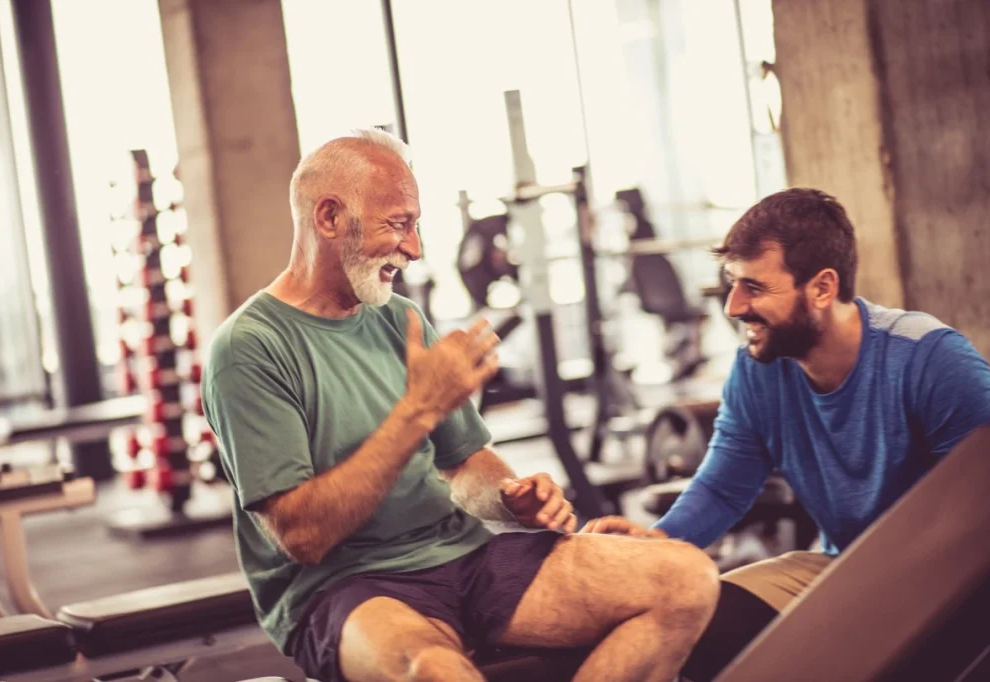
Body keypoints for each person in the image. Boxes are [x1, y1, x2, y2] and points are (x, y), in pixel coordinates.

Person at [201, 127, 720, 682]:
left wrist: (510, 498)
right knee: (437, 674)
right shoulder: (249, 349)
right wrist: (416, 411)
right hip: (344, 586)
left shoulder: (399, 318)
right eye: (398, 224)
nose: (415, 248)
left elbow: (464, 464)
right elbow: (304, 537)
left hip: (464, 556)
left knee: (686, 579)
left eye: (416, 225)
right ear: (329, 218)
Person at [581, 187, 990, 680]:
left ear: (821, 288)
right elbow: (722, 488)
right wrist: (656, 541)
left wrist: (896, 597)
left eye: (754, 287)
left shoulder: (930, 360)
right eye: (732, 284)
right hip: (844, 567)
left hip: (951, 583)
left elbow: (978, 513)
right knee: (688, 619)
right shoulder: (758, 370)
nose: (733, 306)